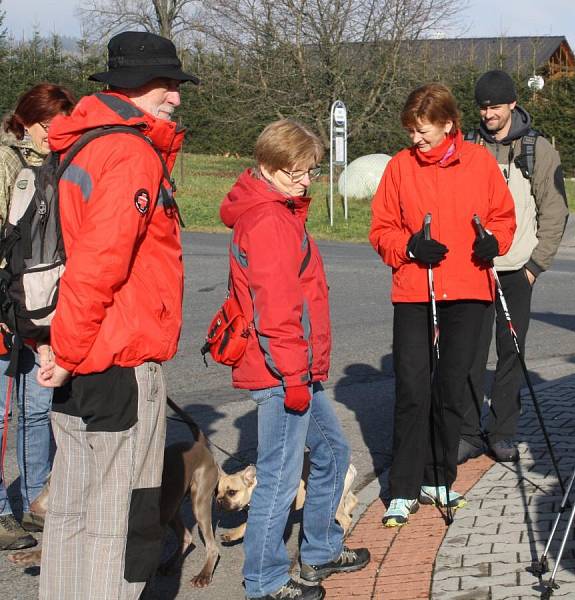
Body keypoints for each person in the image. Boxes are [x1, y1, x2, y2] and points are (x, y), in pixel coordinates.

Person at [34, 31, 198, 600]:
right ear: (135, 87)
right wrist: (72, 351)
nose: (176, 98)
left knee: (72, 514)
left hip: (75, 353)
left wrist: (57, 349)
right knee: (120, 520)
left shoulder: (78, 143)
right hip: (116, 362)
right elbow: (98, 266)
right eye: (168, 85)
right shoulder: (129, 153)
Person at [220, 119, 370, 600]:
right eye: (297, 173)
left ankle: (321, 550)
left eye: (311, 171)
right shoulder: (267, 220)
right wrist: (292, 376)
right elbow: (277, 310)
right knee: (279, 481)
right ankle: (264, 583)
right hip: (283, 372)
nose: (307, 180)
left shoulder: (279, 211)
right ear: (268, 168)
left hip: (296, 368)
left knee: (332, 453)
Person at [370, 82, 516, 527]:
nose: (416, 139)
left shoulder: (479, 162)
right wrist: (410, 247)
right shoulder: (399, 167)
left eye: (423, 131)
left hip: (468, 289)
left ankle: (439, 477)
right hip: (416, 290)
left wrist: (494, 242)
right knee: (413, 388)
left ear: (449, 125)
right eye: (411, 131)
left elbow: (502, 219)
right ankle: (403, 487)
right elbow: (380, 230)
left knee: (452, 387)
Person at [459, 69, 568, 464]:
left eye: (495, 106)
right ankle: (468, 433)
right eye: (483, 107)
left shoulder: (537, 149)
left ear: (512, 105)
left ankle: (502, 432)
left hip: (516, 268)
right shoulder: (467, 145)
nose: (488, 113)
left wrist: (536, 265)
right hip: (473, 269)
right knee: (469, 354)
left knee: (511, 353)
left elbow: (554, 212)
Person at [0, 83, 75, 551]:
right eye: (50, 125)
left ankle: (34, 502)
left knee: (36, 408)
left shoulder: (63, 163)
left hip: (45, 303)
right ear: (27, 120)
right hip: (6, 300)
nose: (55, 133)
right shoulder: (7, 161)